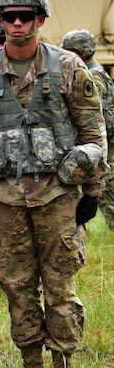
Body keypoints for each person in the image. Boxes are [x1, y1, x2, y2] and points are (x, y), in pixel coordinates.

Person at [0, 0, 106, 368]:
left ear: (40, 19)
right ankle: (29, 366)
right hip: (4, 199)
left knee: (60, 285)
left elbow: (92, 132)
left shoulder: (69, 67)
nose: (18, 23)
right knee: (16, 285)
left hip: (57, 196)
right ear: (0, 21)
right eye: (9, 17)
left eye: (26, 16)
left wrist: (91, 192)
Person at [61, 30, 114, 229]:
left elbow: (91, 117)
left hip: (97, 150)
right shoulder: (99, 72)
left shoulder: (90, 76)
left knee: (103, 202)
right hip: (102, 148)